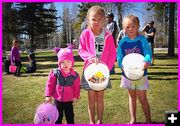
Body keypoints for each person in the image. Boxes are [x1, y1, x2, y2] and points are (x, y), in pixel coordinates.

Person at [78, 6, 116, 124]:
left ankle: (99, 121)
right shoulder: (85, 34)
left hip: (102, 72)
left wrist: (107, 68)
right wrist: (90, 57)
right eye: (93, 19)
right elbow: (81, 50)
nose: (96, 22)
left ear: (104, 20)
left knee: (100, 97)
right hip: (89, 71)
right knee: (91, 98)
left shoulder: (108, 35)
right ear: (88, 20)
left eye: (100, 19)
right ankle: (92, 121)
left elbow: (112, 53)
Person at [117, 15, 152, 124]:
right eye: (127, 27)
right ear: (123, 28)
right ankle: (133, 118)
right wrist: (120, 64)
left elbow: (147, 51)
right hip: (127, 74)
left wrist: (147, 60)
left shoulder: (142, 40)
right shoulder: (122, 42)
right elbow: (119, 55)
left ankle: (148, 120)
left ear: (138, 27)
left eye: (133, 26)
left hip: (141, 73)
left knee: (142, 98)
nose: (130, 29)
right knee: (132, 97)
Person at [45, 46, 80, 124]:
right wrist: (48, 95)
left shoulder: (75, 75)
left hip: (69, 101)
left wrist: (76, 96)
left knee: (70, 117)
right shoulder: (55, 73)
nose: (65, 64)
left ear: (72, 62)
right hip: (57, 101)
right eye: (62, 62)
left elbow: (77, 87)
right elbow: (49, 84)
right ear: (59, 63)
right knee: (57, 118)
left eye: (68, 61)